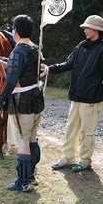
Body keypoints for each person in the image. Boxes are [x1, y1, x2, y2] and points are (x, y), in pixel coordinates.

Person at [41, 15, 103, 172]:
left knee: (87, 132)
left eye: (87, 28)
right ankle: (68, 158)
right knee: (71, 129)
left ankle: (85, 161)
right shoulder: (81, 46)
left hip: (92, 98)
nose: (84, 30)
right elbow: (68, 64)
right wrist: (49, 68)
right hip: (76, 96)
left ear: (96, 30)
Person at [0, 14, 44, 192]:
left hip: (22, 105)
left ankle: (23, 182)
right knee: (32, 140)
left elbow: (11, 80)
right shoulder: (35, 49)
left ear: (15, 30)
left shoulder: (18, 51)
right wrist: (7, 63)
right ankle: (31, 177)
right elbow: (27, 68)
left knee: (23, 144)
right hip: (36, 102)